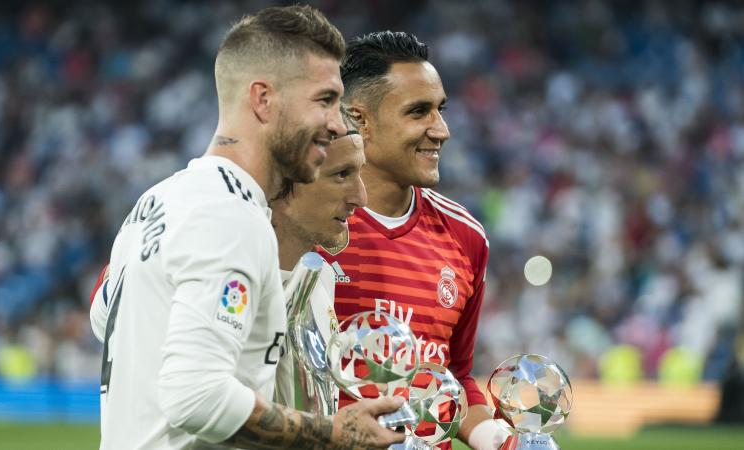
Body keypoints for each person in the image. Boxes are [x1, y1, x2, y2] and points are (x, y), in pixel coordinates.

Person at [89, 7, 404, 450]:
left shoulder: (158, 201)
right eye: (324, 99)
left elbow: (103, 317)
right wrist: (332, 433)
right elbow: (195, 397)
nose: (336, 122)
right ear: (263, 99)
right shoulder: (231, 217)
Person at [320, 31, 510, 450]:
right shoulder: (305, 226)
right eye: (418, 111)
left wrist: (492, 439)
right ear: (360, 119)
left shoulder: (466, 238)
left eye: (440, 110)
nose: (440, 130)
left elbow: (455, 375)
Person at [271, 117, 367, 411]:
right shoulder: (236, 276)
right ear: (285, 179)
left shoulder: (322, 277)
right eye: (341, 175)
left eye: (359, 173)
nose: (361, 198)